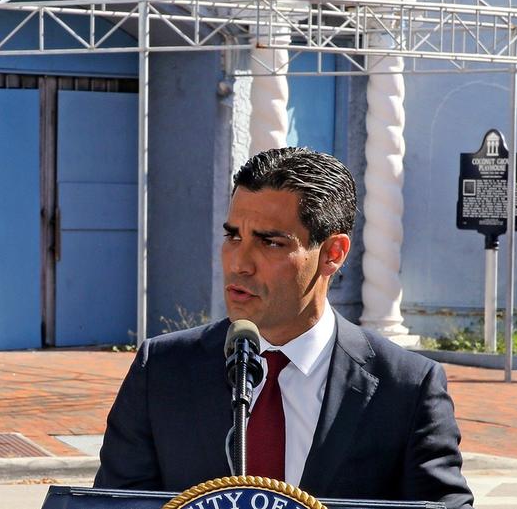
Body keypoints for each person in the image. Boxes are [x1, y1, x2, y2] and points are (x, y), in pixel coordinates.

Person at [94, 147, 474, 509]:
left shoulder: (406, 388)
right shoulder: (162, 370)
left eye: (270, 242)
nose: (239, 263)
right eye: (233, 236)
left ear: (332, 254)